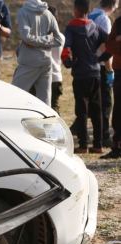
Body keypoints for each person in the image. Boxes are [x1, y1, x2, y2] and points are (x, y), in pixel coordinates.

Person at [62, 0, 109, 154]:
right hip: (95, 73)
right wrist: (101, 58)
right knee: (97, 109)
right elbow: (110, 41)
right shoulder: (95, 26)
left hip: (80, 73)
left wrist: (68, 63)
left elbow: (66, 47)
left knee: (81, 110)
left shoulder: (71, 28)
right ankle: (98, 144)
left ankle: (83, 145)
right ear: (87, 11)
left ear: (76, 10)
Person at [12, 0, 64, 106]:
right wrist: (44, 41)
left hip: (29, 61)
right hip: (46, 61)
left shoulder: (23, 12)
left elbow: (26, 38)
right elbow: (58, 40)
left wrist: (34, 42)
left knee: (13, 96)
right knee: (45, 102)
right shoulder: (48, 13)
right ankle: (46, 123)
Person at [89, 0, 118, 147]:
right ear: (113, 4)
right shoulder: (104, 19)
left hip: (89, 63)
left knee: (93, 101)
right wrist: (109, 68)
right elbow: (106, 45)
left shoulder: (90, 14)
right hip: (101, 64)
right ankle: (105, 135)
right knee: (106, 102)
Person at [102, 13, 121, 158]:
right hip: (120, 71)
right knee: (119, 109)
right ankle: (117, 145)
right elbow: (109, 45)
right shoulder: (118, 22)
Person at [49, 6, 65, 113]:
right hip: (57, 76)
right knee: (54, 106)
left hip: (45, 76)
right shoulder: (62, 37)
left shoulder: (43, 37)